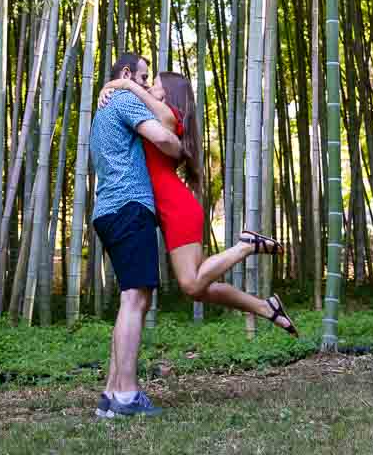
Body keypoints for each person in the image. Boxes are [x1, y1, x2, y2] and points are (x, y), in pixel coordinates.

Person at [99, 70, 299, 337]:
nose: (149, 87)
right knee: (201, 289)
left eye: (155, 85)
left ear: (169, 93)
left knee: (191, 285)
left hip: (176, 208)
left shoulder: (168, 116)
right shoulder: (151, 114)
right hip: (172, 210)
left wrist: (123, 84)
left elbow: (160, 116)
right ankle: (266, 308)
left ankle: (246, 246)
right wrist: (110, 89)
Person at [89, 52, 180, 418]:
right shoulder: (125, 100)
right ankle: (126, 395)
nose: (147, 85)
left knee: (131, 301)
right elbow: (166, 139)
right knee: (135, 301)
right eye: (143, 77)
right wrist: (178, 146)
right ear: (126, 74)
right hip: (129, 208)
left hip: (108, 211)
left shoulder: (102, 111)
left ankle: (112, 394)